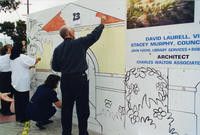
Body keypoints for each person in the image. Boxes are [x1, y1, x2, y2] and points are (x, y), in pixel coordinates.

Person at [51, 17, 106, 135]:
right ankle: (83, 133)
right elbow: (94, 36)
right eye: (73, 31)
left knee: (66, 109)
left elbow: (55, 67)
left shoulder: (57, 49)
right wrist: (101, 24)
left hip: (65, 80)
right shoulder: (79, 43)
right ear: (70, 33)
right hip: (80, 80)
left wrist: (66, 69)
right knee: (82, 109)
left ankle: (66, 133)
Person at [9, 42, 41, 123]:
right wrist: (38, 59)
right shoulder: (22, 56)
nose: (23, 48)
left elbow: (22, 66)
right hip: (23, 82)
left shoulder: (12, 57)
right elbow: (34, 61)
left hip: (15, 82)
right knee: (24, 101)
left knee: (18, 101)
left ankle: (18, 117)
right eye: (23, 46)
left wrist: (30, 67)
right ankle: (24, 118)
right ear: (20, 48)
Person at [0, 44, 14, 115]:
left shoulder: (0, 57)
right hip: (8, 76)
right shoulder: (9, 56)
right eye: (10, 48)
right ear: (6, 51)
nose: (11, 49)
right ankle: (7, 111)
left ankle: (3, 109)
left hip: (2, 75)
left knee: (3, 93)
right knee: (9, 93)